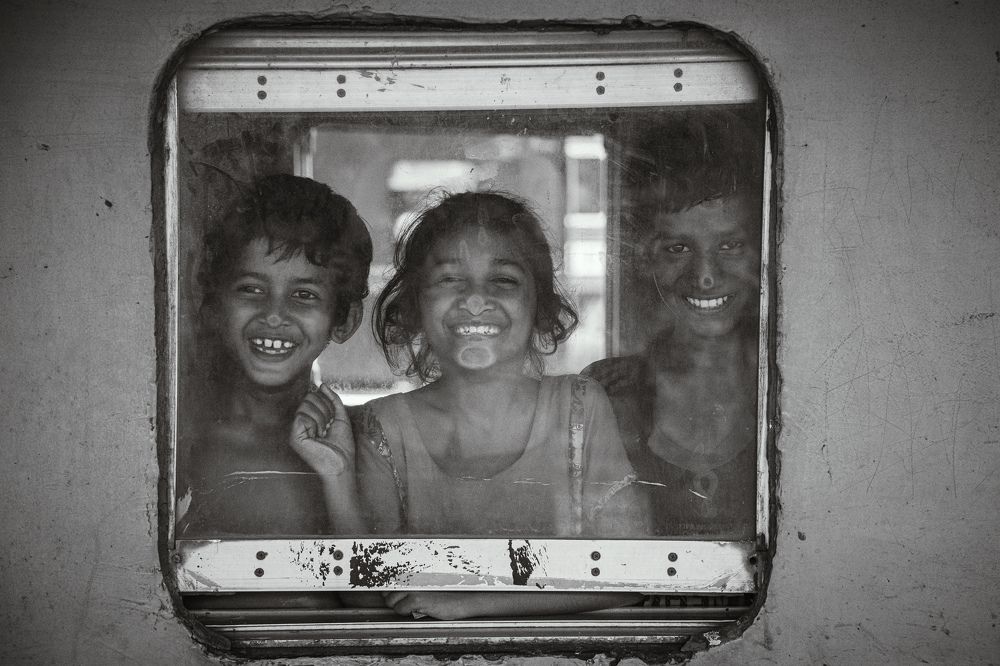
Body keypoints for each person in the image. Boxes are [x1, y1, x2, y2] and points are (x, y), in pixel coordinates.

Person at [299, 191, 647, 620]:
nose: (476, 300)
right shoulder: (384, 426)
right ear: (414, 306)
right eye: (450, 280)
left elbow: (633, 574)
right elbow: (366, 597)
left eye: (503, 280)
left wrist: (472, 602)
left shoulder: (578, 407)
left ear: (540, 304)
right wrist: (336, 476)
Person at [583, 110, 763, 539]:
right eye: (678, 247)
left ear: (765, 247)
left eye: (730, 245)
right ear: (644, 256)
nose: (704, 275)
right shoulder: (608, 398)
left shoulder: (788, 386)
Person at [176, 174, 372, 538]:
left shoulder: (367, 448)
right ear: (214, 307)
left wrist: (337, 475)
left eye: (304, 295)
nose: (274, 315)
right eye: (251, 289)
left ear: (343, 320)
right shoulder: (178, 440)